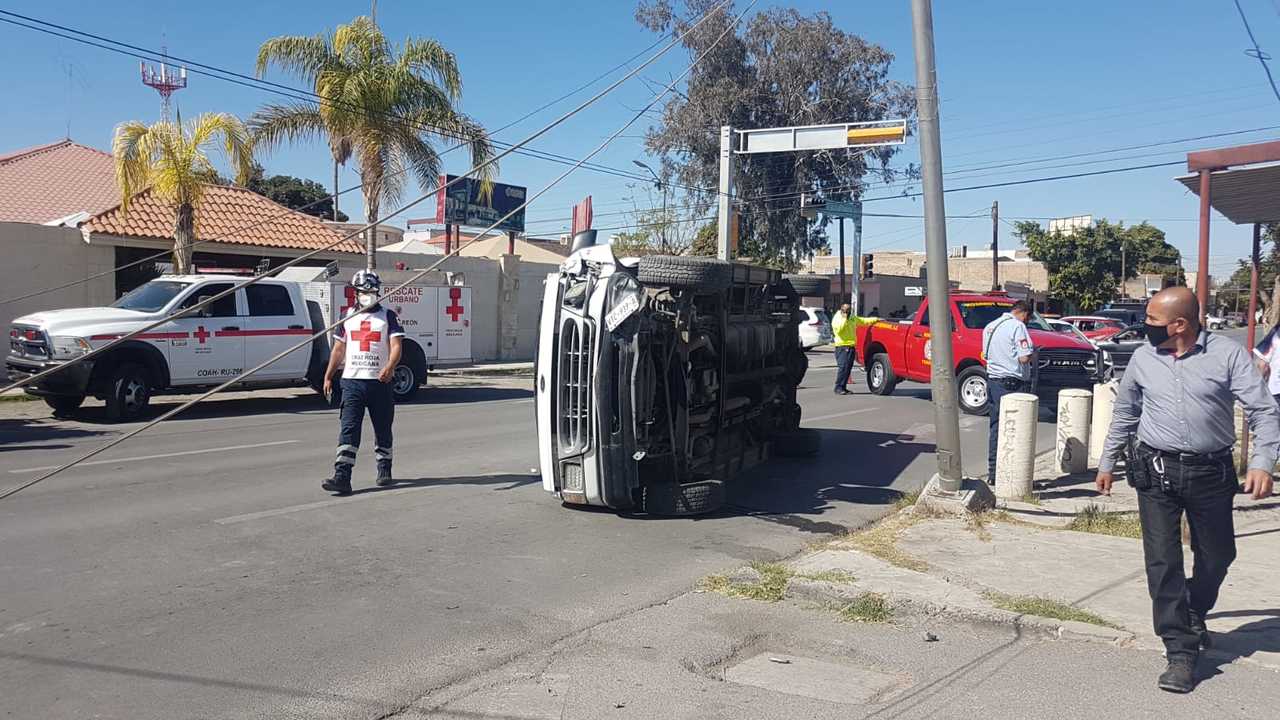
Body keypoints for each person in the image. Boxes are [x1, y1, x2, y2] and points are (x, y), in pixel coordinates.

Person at [1096, 287, 1277, 694]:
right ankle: (1180, 650)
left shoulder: (1227, 356)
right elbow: (1126, 412)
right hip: (1155, 470)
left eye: (1153, 321)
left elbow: (1263, 410)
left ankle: (1193, 609)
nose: (1146, 328)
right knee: (1162, 562)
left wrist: (1263, 463)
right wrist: (1107, 461)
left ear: (1180, 325)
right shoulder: (1143, 358)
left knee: (1217, 555)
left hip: (1210, 471)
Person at [322, 270, 405, 495]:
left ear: (377, 292)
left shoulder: (388, 316)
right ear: (356, 293)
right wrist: (329, 375)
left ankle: (384, 468)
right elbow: (339, 349)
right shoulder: (346, 316)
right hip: (352, 382)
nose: (367, 295)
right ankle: (342, 476)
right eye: (363, 292)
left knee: (383, 426)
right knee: (349, 428)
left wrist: (390, 367)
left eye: (371, 292)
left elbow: (396, 346)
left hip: (380, 382)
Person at [981, 300, 1034, 485]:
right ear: (1025, 314)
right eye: (1028, 319)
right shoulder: (1018, 326)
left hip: (993, 381)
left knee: (996, 427)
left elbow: (985, 355)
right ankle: (1012, 473)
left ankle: (993, 473)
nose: (1027, 322)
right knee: (1016, 429)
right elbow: (1024, 357)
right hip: (1012, 384)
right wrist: (1034, 354)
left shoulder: (989, 326)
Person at [830, 303, 857, 395]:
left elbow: (862, 320)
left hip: (851, 346)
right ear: (842, 310)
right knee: (843, 367)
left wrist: (875, 320)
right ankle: (838, 387)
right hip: (842, 346)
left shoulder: (851, 318)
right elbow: (839, 330)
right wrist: (844, 318)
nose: (848, 312)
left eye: (849, 310)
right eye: (846, 310)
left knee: (848, 368)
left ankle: (843, 387)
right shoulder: (838, 318)